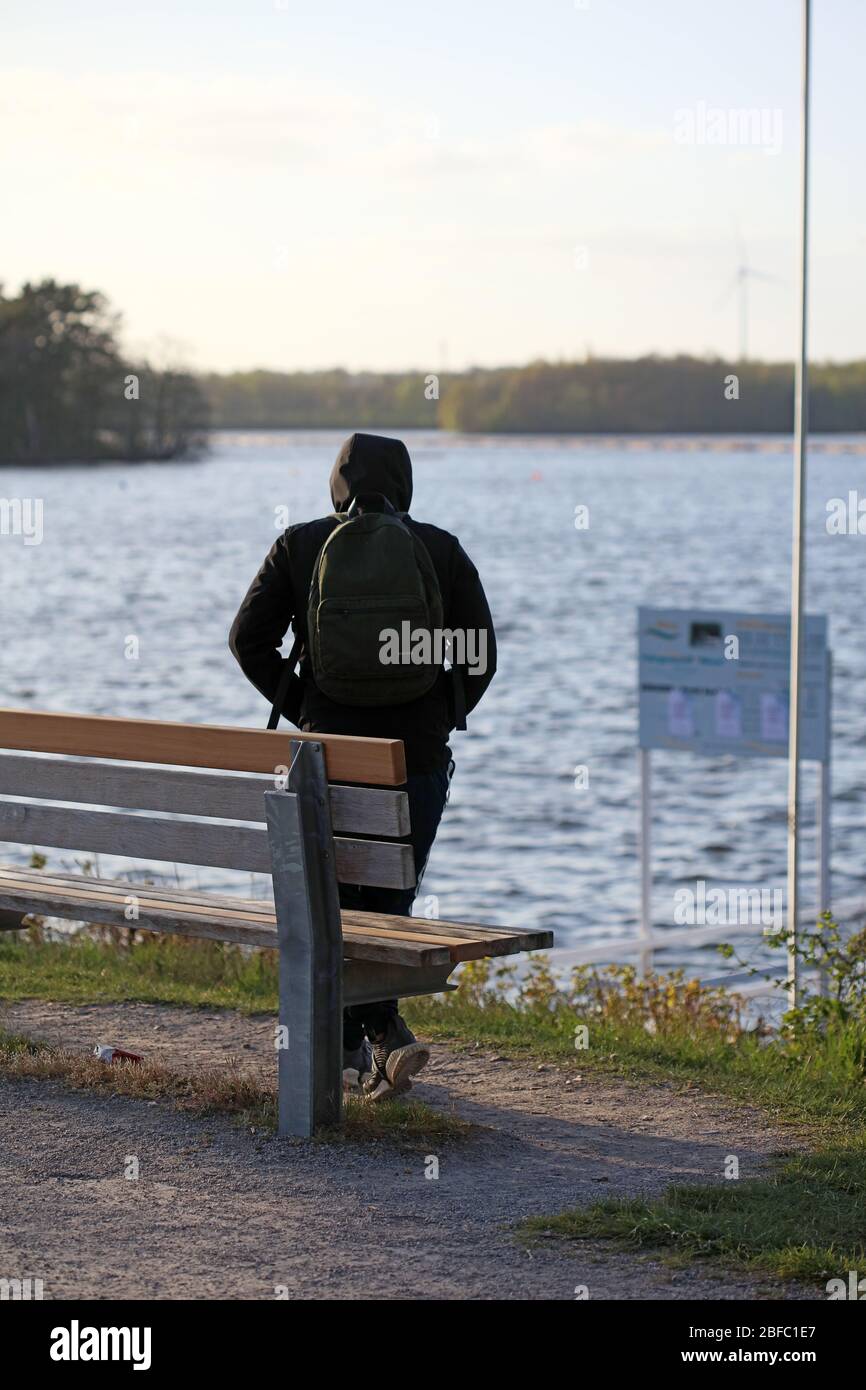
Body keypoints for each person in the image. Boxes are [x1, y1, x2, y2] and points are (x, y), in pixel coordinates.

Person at [229, 432, 496, 1099]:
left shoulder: (300, 545)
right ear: (405, 484)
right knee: (387, 904)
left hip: (328, 756)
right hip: (417, 758)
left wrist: (304, 708)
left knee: (336, 905)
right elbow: (480, 653)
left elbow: (247, 640)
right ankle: (380, 1038)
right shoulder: (438, 549)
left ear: (336, 483)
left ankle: (361, 1042)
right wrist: (443, 712)